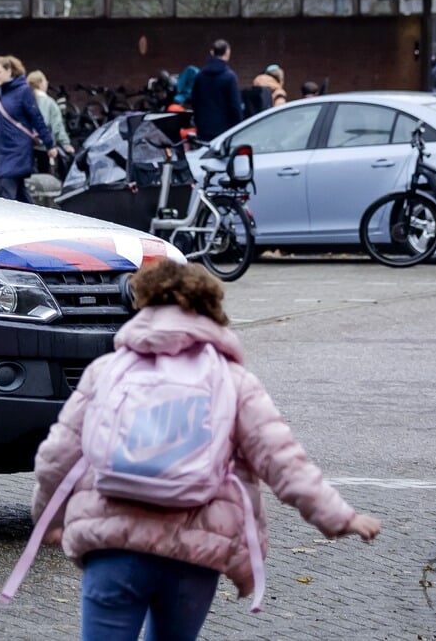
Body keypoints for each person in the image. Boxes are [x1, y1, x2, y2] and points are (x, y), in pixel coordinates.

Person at [30, 259, 380, 640]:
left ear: (143, 303)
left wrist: (50, 519)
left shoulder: (107, 371)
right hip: (194, 552)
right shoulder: (232, 381)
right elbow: (282, 461)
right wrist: (339, 517)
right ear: (211, 310)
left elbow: (57, 456)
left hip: (112, 546)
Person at [0, 55, 56, 202]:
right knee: (19, 194)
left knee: (6, 191)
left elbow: (36, 118)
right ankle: (35, 217)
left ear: (9, 71)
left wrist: (49, 144)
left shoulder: (23, 91)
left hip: (17, 149)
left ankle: (3, 220)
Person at [190, 40, 244, 142]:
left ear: (212, 52)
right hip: (225, 130)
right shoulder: (230, 77)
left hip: (204, 129)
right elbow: (235, 106)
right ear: (227, 53)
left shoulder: (200, 76)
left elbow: (194, 102)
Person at [28, 69, 76, 172]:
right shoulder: (50, 103)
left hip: (27, 145)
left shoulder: (25, 101)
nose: (47, 83)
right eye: (45, 81)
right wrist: (66, 144)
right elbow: (57, 126)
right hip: (45, 146)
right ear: (40, 83)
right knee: (44, 175)